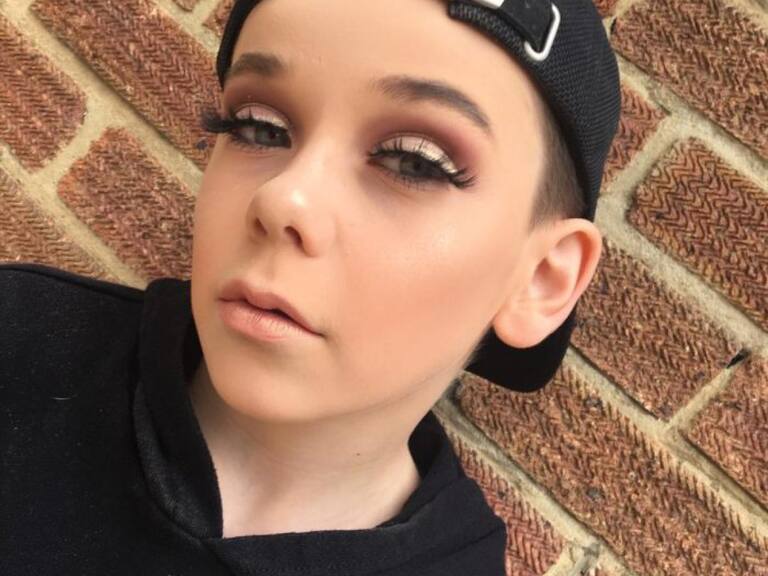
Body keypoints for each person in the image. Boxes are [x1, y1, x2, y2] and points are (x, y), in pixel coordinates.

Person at [0, 0, 620, 574]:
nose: (284, 198)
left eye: (414, 161)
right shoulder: (21, 337)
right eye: (259, 127)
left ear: (542, 279)